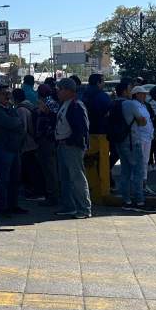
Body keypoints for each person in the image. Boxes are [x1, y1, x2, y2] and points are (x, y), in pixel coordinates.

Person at [111, 81, 153, 212]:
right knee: (138, 172)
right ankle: (139, 202)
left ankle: (127, 201)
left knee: (125, 171)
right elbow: (142, 121)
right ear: (125, 91)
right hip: (132, 141)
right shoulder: (129, 104)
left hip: (119, 141)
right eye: (130, 89)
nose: (131, 92)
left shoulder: (113, 103)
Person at [54, 77, 91, 219]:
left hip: (72, 147)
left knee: (77, 178)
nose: (57, 92)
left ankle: (84, 209)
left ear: (68, 90)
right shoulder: (65, 104)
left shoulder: (76, 105)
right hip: (63, 145)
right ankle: (69, 207)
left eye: (60, 89)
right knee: (65, 179)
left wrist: (71, 142)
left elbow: (82, 129)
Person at [0, 84, 28, 216]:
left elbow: (20, 124)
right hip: (3, 149)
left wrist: (16, 123)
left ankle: (13, 205)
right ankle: (3, 208)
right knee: (3, 180)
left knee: (15, 179)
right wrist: (16, 122)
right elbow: (11, 123)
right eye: (3, 93)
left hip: (14, 148)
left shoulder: (10, 108)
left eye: (8, 93)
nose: (7, 96)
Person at [14, 88, 42, 200]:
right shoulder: (29, 105)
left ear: (15, 98)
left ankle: (34, 192)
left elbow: (23, 129)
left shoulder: (21, 109)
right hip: (33, 143)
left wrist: (18, 144)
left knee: (29, 169)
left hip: (27, 144)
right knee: (32, 168)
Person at [130, 85, 155, 203]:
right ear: (136, 94)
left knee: (144, 162)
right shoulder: (134, 105)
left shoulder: (143, 105)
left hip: (147, 137)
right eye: (142, 93)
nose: (145, 95)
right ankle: (138, 187)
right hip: (139, 138)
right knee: (139, 163)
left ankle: (143, 185)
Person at [36, 84, 60, 205]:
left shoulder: (49, 103)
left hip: (48, 140)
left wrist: (45, 111)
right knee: (49, 168)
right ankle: (52, 195)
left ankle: (53, 196)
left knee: (50, 169)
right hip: (47, 139)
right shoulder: (49, 102)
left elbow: (53, 119)